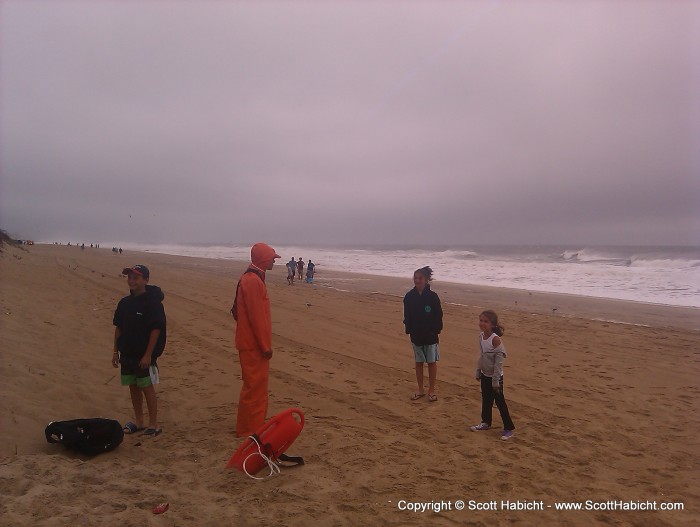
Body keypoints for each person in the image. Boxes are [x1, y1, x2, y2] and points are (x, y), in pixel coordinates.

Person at [231, 243, 281, 437]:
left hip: (250, 343)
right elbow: (256, 317)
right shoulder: (253, 280)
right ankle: (249, 429)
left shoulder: (253, 277)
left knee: (255, 387)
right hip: (253, 344)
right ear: (263, 259)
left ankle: (251, 425)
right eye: (272, 258)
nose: (274, 261)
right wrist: (265, 345)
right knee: (255, 388)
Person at [112, 265, 167, 437]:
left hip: (143, 355)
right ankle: (139, 421)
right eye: (129, 277)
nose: (132, 281)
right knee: (133, 386)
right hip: (127, 354)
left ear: (146, 280)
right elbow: (118, 327)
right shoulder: (124, 303)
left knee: (146, 386)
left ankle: (153, 423)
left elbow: (156, 329)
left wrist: (148, 354)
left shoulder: (152, 302)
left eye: (136, 277)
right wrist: (115, 352)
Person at [470, 310, 515, 440]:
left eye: (486, 321)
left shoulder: (495, 339)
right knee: (486, 399)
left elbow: (499, 361)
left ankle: (508, 428)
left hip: (496, 377)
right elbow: (482, 355)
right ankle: (485, 422)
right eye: (481, 320)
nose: (482, 323)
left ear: (493, 325)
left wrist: (495, 380)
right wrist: (478, 371)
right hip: (485, 374)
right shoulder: (481, 336)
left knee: (500, 402)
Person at [403, 266, 443, 402]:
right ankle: (420, 389)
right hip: (416, 335)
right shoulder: (409, 297)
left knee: (431, 362)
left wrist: (436, 330)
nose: (417, 280)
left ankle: (431, 390)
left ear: (426, 280)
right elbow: (407, 316)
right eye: (415, 278)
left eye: (420, 278)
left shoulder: (433, 297)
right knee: (419, 362)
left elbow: (438, 315)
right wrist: (409, 329)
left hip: (431, 335)